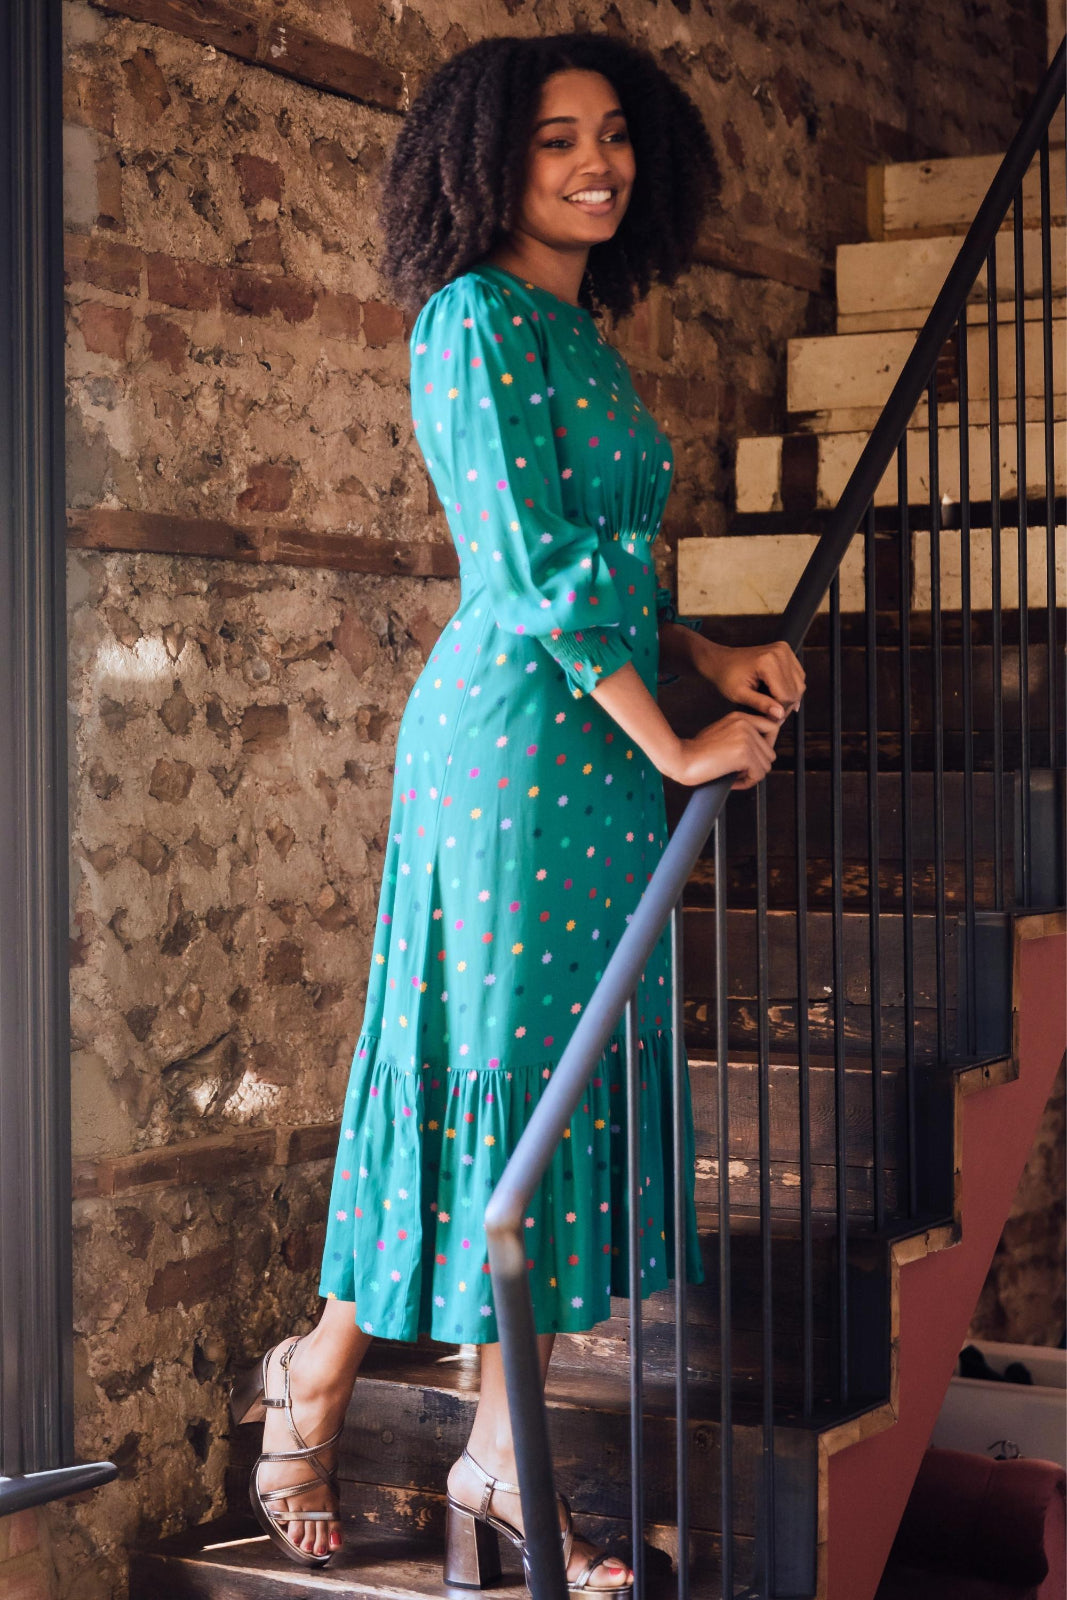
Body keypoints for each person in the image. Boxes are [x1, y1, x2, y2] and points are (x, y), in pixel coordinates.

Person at [228, 31, 805, 1593]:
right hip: (514, 751)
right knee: (472, 1065)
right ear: (490, 164)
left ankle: (497, 1449)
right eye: (557, 142)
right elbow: (532, 575)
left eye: (613, 136)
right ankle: (321, 1375)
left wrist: (703, 653)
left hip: (601, 744)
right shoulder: (470, 320)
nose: (594, 165)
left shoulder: (584, 336)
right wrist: (678, 742)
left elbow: (604, 564)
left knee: (547, 1079)